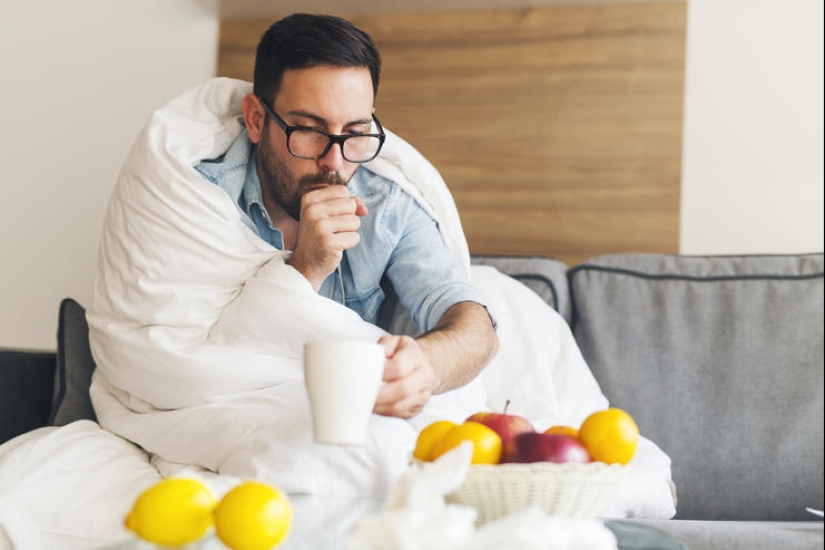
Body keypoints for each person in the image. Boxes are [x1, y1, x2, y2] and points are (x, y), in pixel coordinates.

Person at [193, 13, 498, 419]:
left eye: (354, 133)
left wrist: (426, 366)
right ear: (256, 120)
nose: (334, 163)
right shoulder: (201, 198)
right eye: (309, 130)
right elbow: (185, 359)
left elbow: (475, 327)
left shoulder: (388, 205)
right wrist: (307, 268)